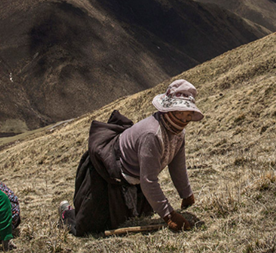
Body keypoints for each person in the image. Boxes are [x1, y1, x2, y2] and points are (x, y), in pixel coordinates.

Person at [60, 79, 203, 235]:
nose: (183, 119)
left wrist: (186, 194)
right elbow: (149, 180)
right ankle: (66, 213)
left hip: (133, 179)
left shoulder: (178, 134)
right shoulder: (152, 135)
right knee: (89, 228)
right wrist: (169, 215)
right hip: (106, 172)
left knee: (131, 217)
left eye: (188, 114)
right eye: (179, 112)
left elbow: (177, 166)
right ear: (168, 109)